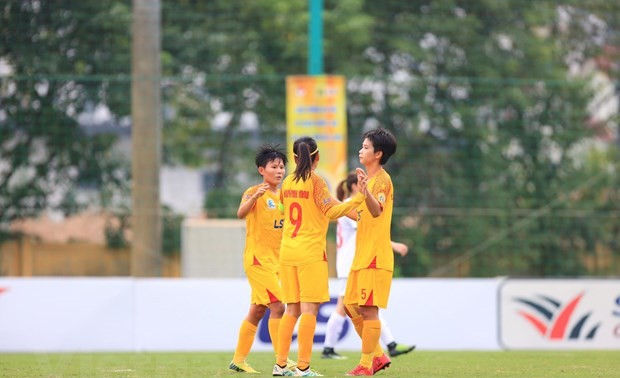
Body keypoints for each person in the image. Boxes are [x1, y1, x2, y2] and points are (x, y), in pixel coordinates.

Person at [272, 136, 367, 377]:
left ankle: (280, 365)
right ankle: (303, 367)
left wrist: (354, 213)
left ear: (294, 158)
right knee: (309, 311)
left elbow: (285, 210)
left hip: (287, 251)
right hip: (310, 253)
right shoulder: (316, 181)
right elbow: (331, 210)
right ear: (317, 158)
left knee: (290, 310)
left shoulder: (287, 182)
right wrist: (357, 200)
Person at [321, 172, 416, 361]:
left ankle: (387, 346)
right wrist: (394, 245)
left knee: (360, 308)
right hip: (352, 262)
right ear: (356, 186)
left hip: (353, 261)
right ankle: (331, 348)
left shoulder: (352, 201)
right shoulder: (352, 202)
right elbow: (368, 229)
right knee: (352, 307)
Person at [229, 144, 288, 374]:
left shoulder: (285, 195)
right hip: (257, 260)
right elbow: (240, 213)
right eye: (274, 166)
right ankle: (281, 360)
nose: (279, 170)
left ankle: (238, 360)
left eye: (282, 166)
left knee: (256, 311)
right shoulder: (254, 191)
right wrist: (255, 196)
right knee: (278, 306)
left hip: (277, 262)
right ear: (261, 170)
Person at [343, 128, 398, 376]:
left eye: (365, 147)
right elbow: (362, 216)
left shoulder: (382, 181)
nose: (360, 150)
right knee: (350, 306)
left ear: (378, 153)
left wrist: (364, 192)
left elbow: (376, 211)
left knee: (368, 309)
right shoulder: (370, 181)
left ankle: (366, 365)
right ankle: (377, 356)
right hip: (362, 255)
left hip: (376, 256)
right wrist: (334, 208)